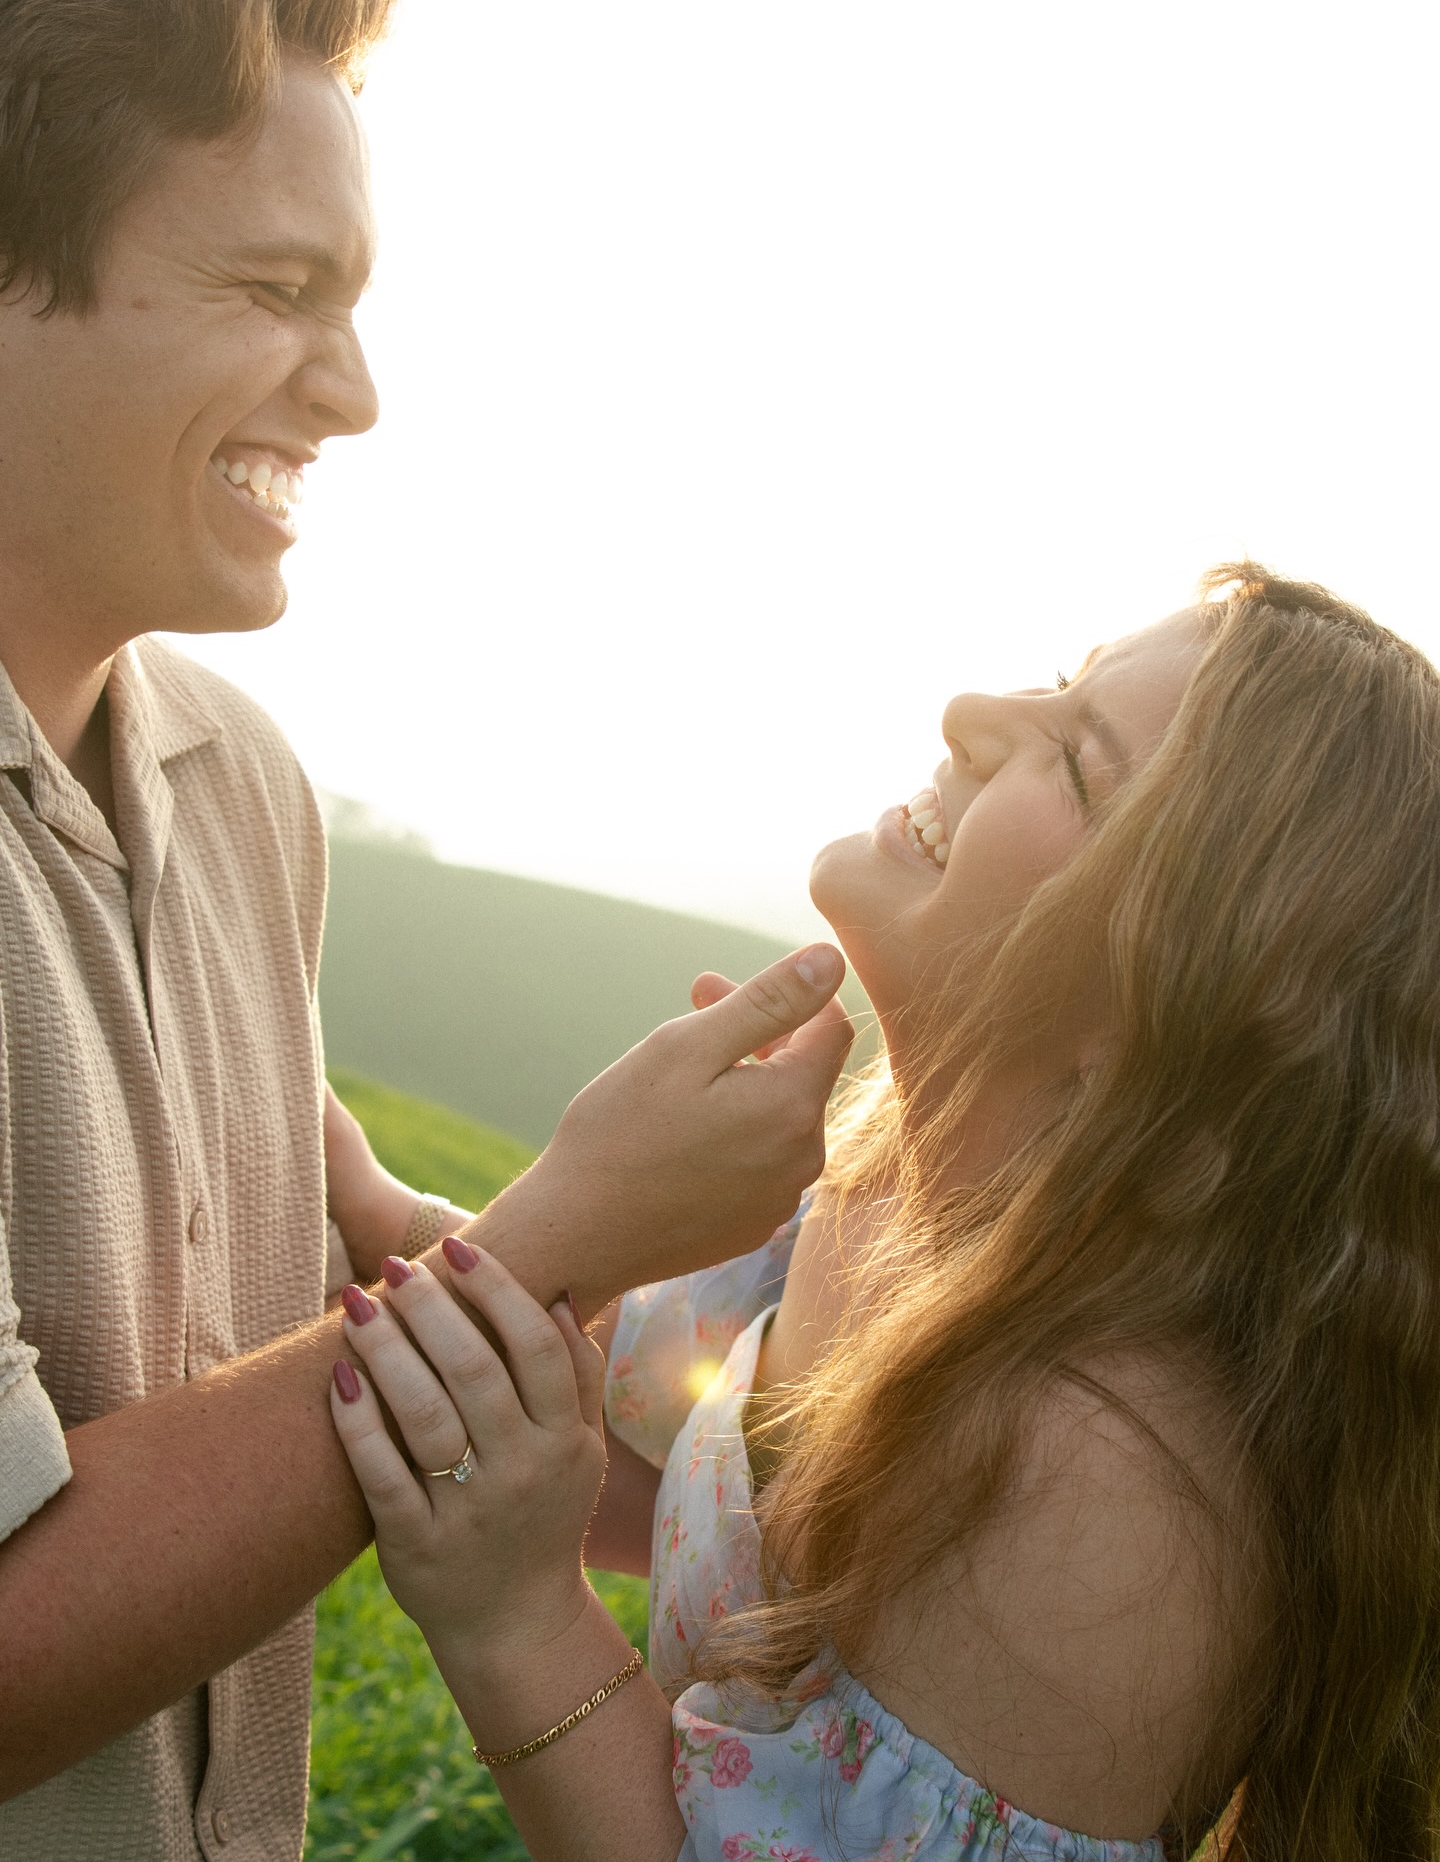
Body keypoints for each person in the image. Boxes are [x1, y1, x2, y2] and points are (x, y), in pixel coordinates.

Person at [0, 0, 854, 1857]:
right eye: (272, 291)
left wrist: (405, 1240)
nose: (357, 395)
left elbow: (247, 1341)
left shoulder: (242, 785)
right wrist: (562, 1231)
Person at [331, 567, 1440, 1862]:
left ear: (1190, 1001)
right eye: (1065, 681)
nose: (971, 709)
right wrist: (400, 1215)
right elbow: (688, 1483)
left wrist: (515, 1617)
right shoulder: (876, 1195)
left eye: (1081, 767)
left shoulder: (1094, 1479)